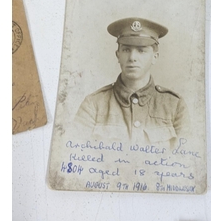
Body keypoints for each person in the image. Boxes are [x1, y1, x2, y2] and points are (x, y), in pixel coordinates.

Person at [74, 18, 191, 146]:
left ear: (155, 57)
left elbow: (185, 159)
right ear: (118, 55)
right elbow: (77, 155)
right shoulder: (93, 105)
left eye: (141, 51)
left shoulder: (174, 106)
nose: (132, 58)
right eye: (126, 50)